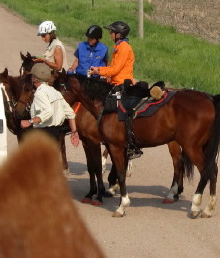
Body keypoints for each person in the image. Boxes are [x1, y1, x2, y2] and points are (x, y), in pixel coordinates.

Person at [89, 20, 141, 158]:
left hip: (122, 84)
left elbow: (115, 69)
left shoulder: (124, 48)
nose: (110, 33)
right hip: (115, 82)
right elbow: (113, 68)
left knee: (117, 110)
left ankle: (129, 143)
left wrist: (98, 71)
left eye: (112, 31)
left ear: (118, 34)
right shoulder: (118, 46)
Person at [19, 62, 80, 148]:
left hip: (44, 134)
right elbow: (70, 113)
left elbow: (48, 111)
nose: (31, 78)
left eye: (32, 76)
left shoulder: (40, 93)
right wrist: (74, 132)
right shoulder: (55, 92)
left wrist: (29, 122)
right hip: (56, 135)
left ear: (36, 79)